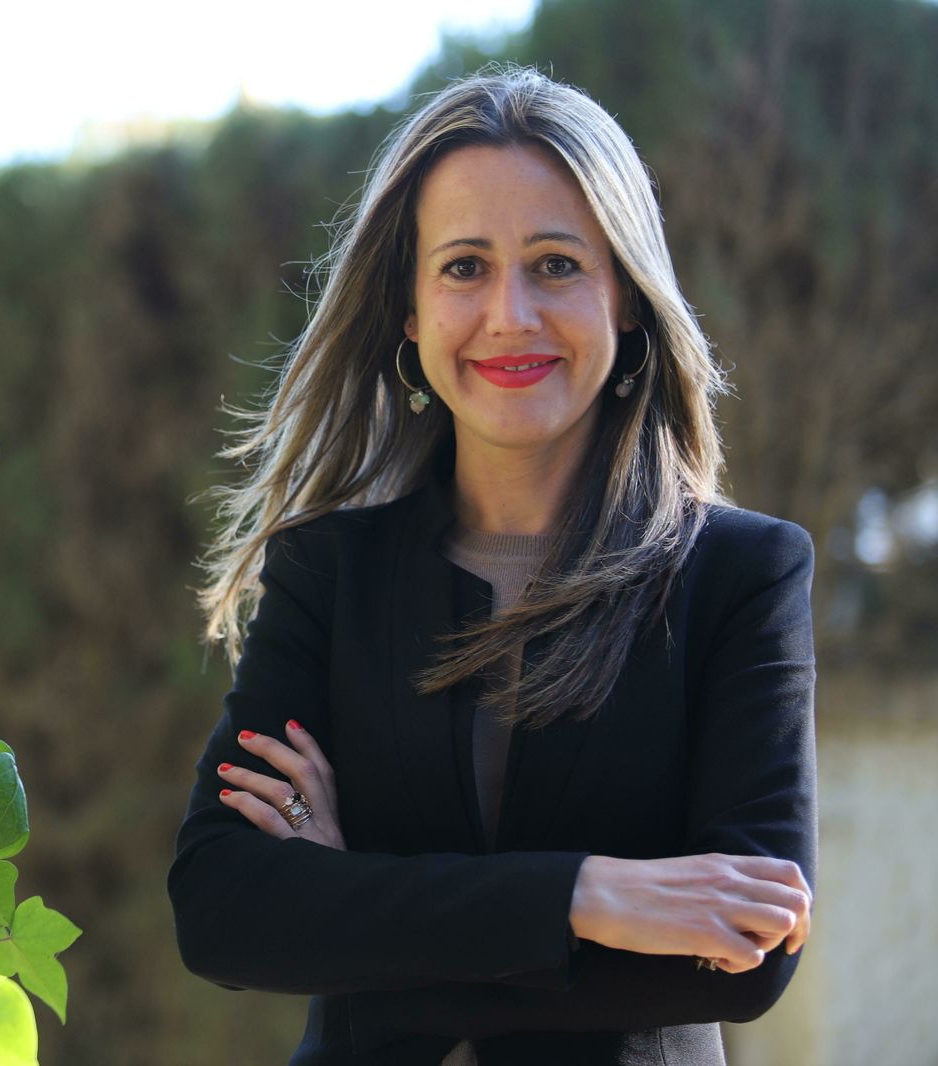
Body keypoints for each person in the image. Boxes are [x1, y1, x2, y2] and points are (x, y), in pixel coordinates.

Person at [168, 66, 817, 1066]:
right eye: (464, 267)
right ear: (410, 310)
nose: (510, 313)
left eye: (556, 264)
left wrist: (353, 902)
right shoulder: (326, 574)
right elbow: (221, 910)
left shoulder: (742, 576)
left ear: (627, 297)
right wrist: (589, 895)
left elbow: (745, 955)